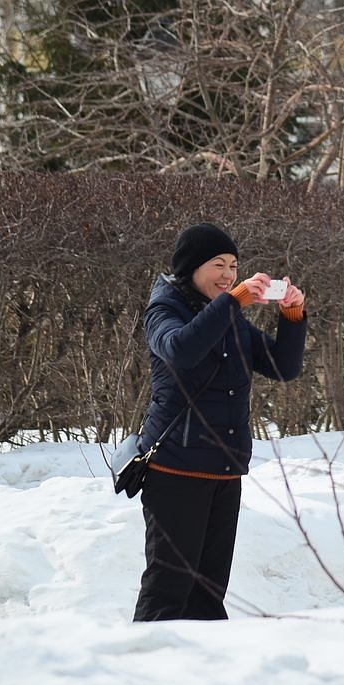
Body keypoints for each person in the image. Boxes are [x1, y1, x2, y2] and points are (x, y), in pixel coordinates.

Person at [134, 223, 307, 621]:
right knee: (169, 588)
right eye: (218, 265)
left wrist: (293, 317)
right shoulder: (163, 310)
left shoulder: (228, 316)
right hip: (175, 468)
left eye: (233, 265)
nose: (228, 274)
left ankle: (209, 675)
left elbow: (283, 367)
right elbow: (181, 350)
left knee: (209, 593)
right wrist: (233, 301)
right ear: (191, 269)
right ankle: (142, 671)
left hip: (224, 470)